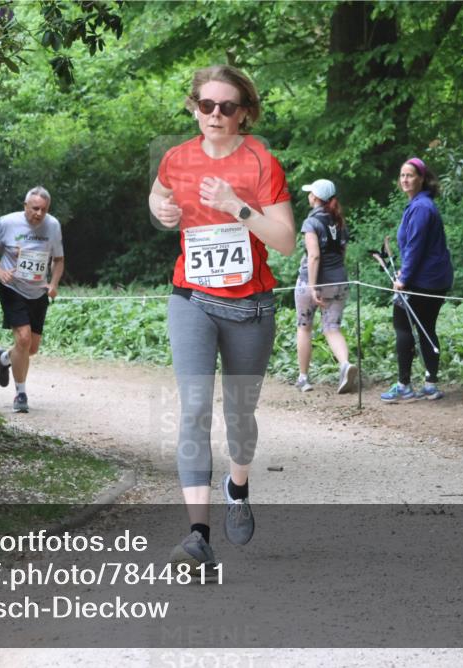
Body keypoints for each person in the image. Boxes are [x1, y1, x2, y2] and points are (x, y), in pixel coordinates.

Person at [148, 65, 294, 578]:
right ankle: (197, 536)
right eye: (205, 105)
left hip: (249, 306)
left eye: (226, 107)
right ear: (193, 106)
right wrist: (161, 211)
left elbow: (285, 241)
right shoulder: (177, 157)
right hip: (191, 297)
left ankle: (238, 484)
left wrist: (238, 209)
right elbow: (159, 194)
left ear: (244, 112)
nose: (214, 115)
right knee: (192, 408)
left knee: (239, 416)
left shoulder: (262, 162)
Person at [0, 186, 64, 414]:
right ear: (25, 206)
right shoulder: (7, 223)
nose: (39, 213)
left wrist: (54, 284)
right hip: (12, 287)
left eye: (43, 210)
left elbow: (59, 259)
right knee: (24, 339)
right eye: (35, 208)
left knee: (31, 348)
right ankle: (21, 394)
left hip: (38, 291)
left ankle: (4, 357)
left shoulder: (53, 226)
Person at [380, 157, 453, 403]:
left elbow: (416, 246)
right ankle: (430, 385)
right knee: (426, 328)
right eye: (402, 175)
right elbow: (415, 248)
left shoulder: (421, 207)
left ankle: (404, 386)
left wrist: (404, 278)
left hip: (424, 280)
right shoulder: (421, 204)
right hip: (432, 278)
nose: (405, 179)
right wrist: (404, 271)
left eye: (410, 175)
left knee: (402, 326)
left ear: (422, 178)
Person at [293, 178, 357, 394]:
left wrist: (312, 286)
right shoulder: (339, 220)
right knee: (332, 328)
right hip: (339, 281)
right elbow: (342, 252)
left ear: (315, 197)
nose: (308, 195)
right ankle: (345, 364)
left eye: (310, 193)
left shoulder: (311, 222)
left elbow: (314, 256)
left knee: (304, 327)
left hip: (313, 282)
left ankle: (303, 378)